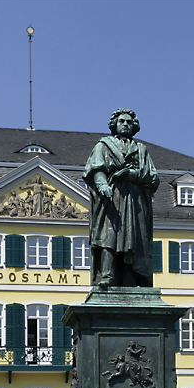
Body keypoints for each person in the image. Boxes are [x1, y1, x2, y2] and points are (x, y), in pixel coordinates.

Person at [83, 108, 160, 288]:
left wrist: (131, 174)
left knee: (132, 240)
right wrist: (102, 185)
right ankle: (107, 276)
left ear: (134, 126)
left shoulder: (141, 150)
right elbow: (96, 169)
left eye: (129, 122)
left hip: (134, 201)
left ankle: (130, 278)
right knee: (108, 236)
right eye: (121, 121)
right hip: (111, 197)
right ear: (114, 125)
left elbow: (153, 177)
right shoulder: (103, 146)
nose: (125, 124)